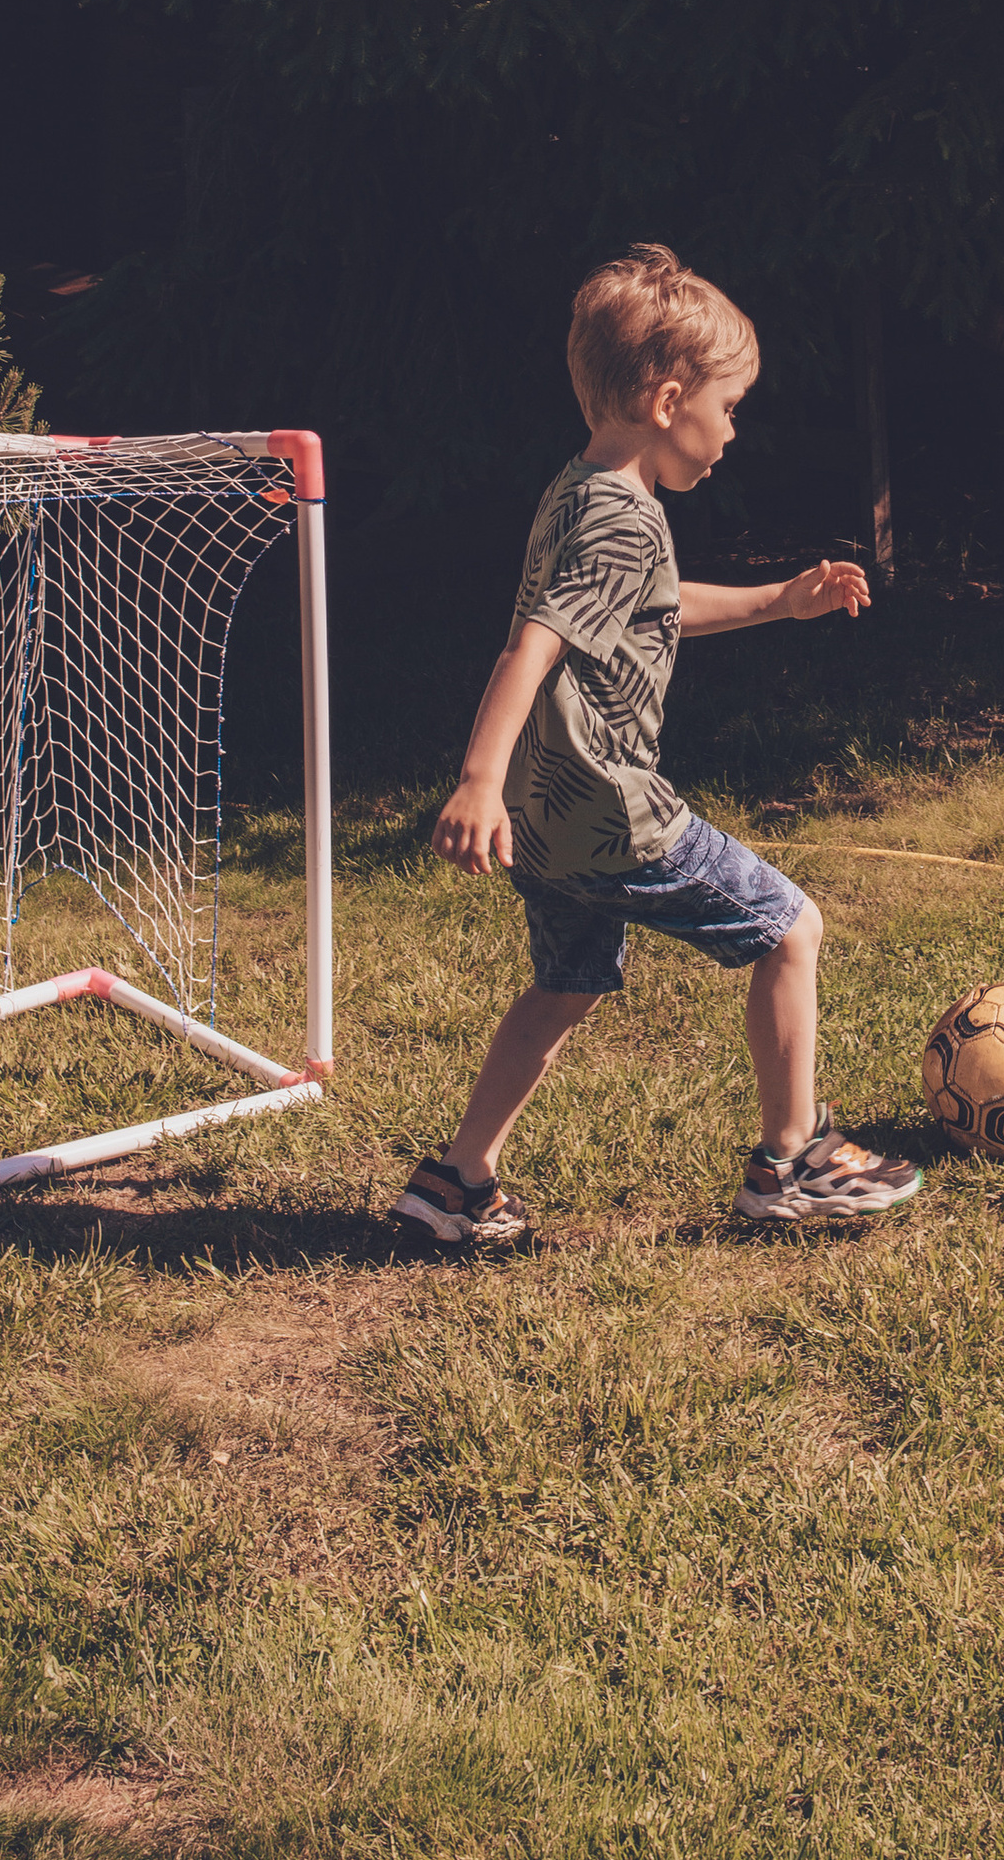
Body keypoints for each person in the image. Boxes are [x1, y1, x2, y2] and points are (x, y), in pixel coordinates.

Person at [393, 244, 924, 1251]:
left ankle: (456, 1182)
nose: (733, 429)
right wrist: (475, 779)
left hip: (548, 822)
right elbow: (532, 645)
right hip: (610, 811)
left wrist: (780, 601)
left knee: (566, 984)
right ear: (669, 399)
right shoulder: (624, 521)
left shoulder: (578, 489)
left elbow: (651, 610)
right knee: (789, 928)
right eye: (729, 405)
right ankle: (791, 1162)